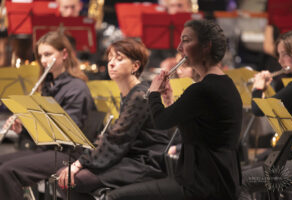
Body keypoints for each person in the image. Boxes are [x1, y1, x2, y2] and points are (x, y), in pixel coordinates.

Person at [106, 19, 243, 200]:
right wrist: (169, 101)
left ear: (206, 47)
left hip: (202, 184)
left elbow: (161, 122)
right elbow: (193, 130)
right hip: (221, 178)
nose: (179, 47)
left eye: (186, 40)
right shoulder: (224, 83)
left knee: (115, 197)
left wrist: (153, 92)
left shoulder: (202, 89)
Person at [56, 38, 170, 200]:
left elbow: (116, 139)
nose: (111, 63)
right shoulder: (131, 93)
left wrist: (78, 164)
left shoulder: (140, 95)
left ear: (135, 66)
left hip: (146, 162)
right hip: (130, 157)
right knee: (65, 177)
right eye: (110, 59)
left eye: (119, 59)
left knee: (73, 180)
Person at [0, 30, 96, 199]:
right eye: (41, 55)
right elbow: (44, 134)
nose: (43, 60)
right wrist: (23, 128)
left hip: (68, 154)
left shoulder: (77, 88)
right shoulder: (49, 85)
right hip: (48, 150)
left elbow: (67, 134)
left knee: (8, 171)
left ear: (64, 54)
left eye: (48, 54)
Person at [239, 29, 292, 199]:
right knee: (244, 172)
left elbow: (258, 110)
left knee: (242, 180)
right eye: (278, 55)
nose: (279, 60)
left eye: (285, 54)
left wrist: (258, 88)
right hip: (291, 159)